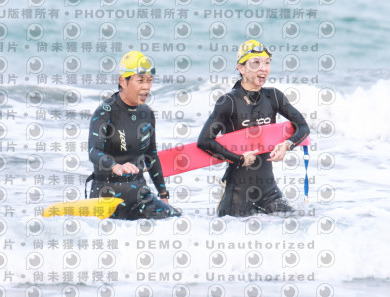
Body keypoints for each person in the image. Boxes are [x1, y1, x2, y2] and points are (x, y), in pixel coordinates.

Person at [197, 39, 310, 217]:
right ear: (241, 68)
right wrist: (239, 159)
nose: (263, 68)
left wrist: (287, 145)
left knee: (299, 223)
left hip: (269, 192)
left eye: (267, 63)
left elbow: (303, 126)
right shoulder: (228, 101)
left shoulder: (274, 97)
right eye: (256, 63)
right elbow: (204, 141)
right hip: (238, 194)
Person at [87, 50, 180, 220]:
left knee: (175, 219)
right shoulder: (105, 112)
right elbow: (93, 151)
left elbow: (151, 155)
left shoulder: (147, 113)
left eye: (149, 81)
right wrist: (116, 166)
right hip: (107, 195)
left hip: (139, 195)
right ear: (122, 81)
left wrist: (163, 195)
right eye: (140, 80)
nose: (146, 87)